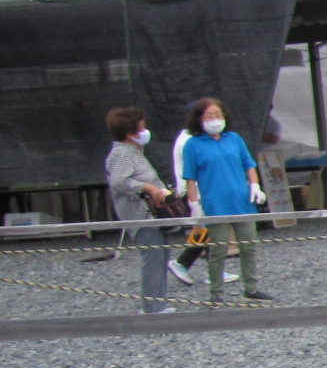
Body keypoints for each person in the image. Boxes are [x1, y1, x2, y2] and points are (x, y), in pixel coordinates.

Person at [180, 97, 273, 303]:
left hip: (242, 201)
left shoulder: (234, 139)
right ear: (199, 119)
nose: (215, 119)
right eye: (209, 116)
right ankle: (216, 293)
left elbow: (248, 164)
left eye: (218, 115)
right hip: (215, 205)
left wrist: (255, 185)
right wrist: (194, 205)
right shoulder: (193, 144)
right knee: (218, 250)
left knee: (248, 246)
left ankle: (251, 287)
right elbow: (190, 178)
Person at [103, 107, 172, 314]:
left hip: (152, 213)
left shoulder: (133, 151)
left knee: (160, 256)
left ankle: (159, 302)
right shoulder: (122, 154)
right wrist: (148, 188)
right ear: (130, 133)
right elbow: (119, 182)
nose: (145, 131)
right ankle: (152, 307)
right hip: (141, 215)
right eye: (141, 127)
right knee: (152, 258)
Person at [167, 115, 226, 287]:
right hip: (196, 192)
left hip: (198, 190)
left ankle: (188, 265)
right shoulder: (189, 140)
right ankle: (206, 269)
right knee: (210, 229)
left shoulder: (188, 138)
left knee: (207, 230)